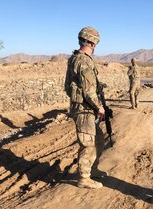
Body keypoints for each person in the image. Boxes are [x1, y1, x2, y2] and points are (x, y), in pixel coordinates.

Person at [64, 26, 107, 189]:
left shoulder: (77, 58)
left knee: (99, 139)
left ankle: (92, 169)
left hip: (85, 106)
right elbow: (88, 89)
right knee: (88, 143)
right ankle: (84, 177)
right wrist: (99, 107)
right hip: (84, 108)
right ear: (93, 43)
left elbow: (72, 86)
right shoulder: (82, 60)